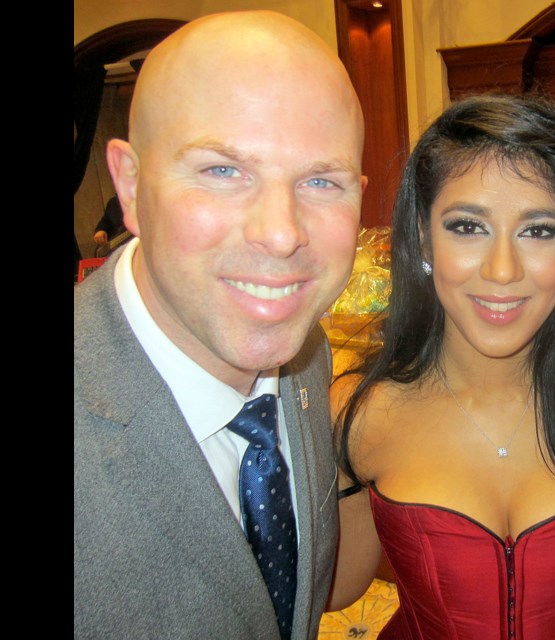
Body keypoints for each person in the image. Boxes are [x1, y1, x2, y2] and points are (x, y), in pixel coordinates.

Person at [74, 11, 366, 640]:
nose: (282, 233)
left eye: (322, 180)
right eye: (223, 171)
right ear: (130, 185)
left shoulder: (307, 353)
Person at [326, 94, 555, 639]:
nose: (502, 270)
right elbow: (337, 590)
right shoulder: (360, 410)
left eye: (539, 230)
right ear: (422, 235)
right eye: (468, 227)